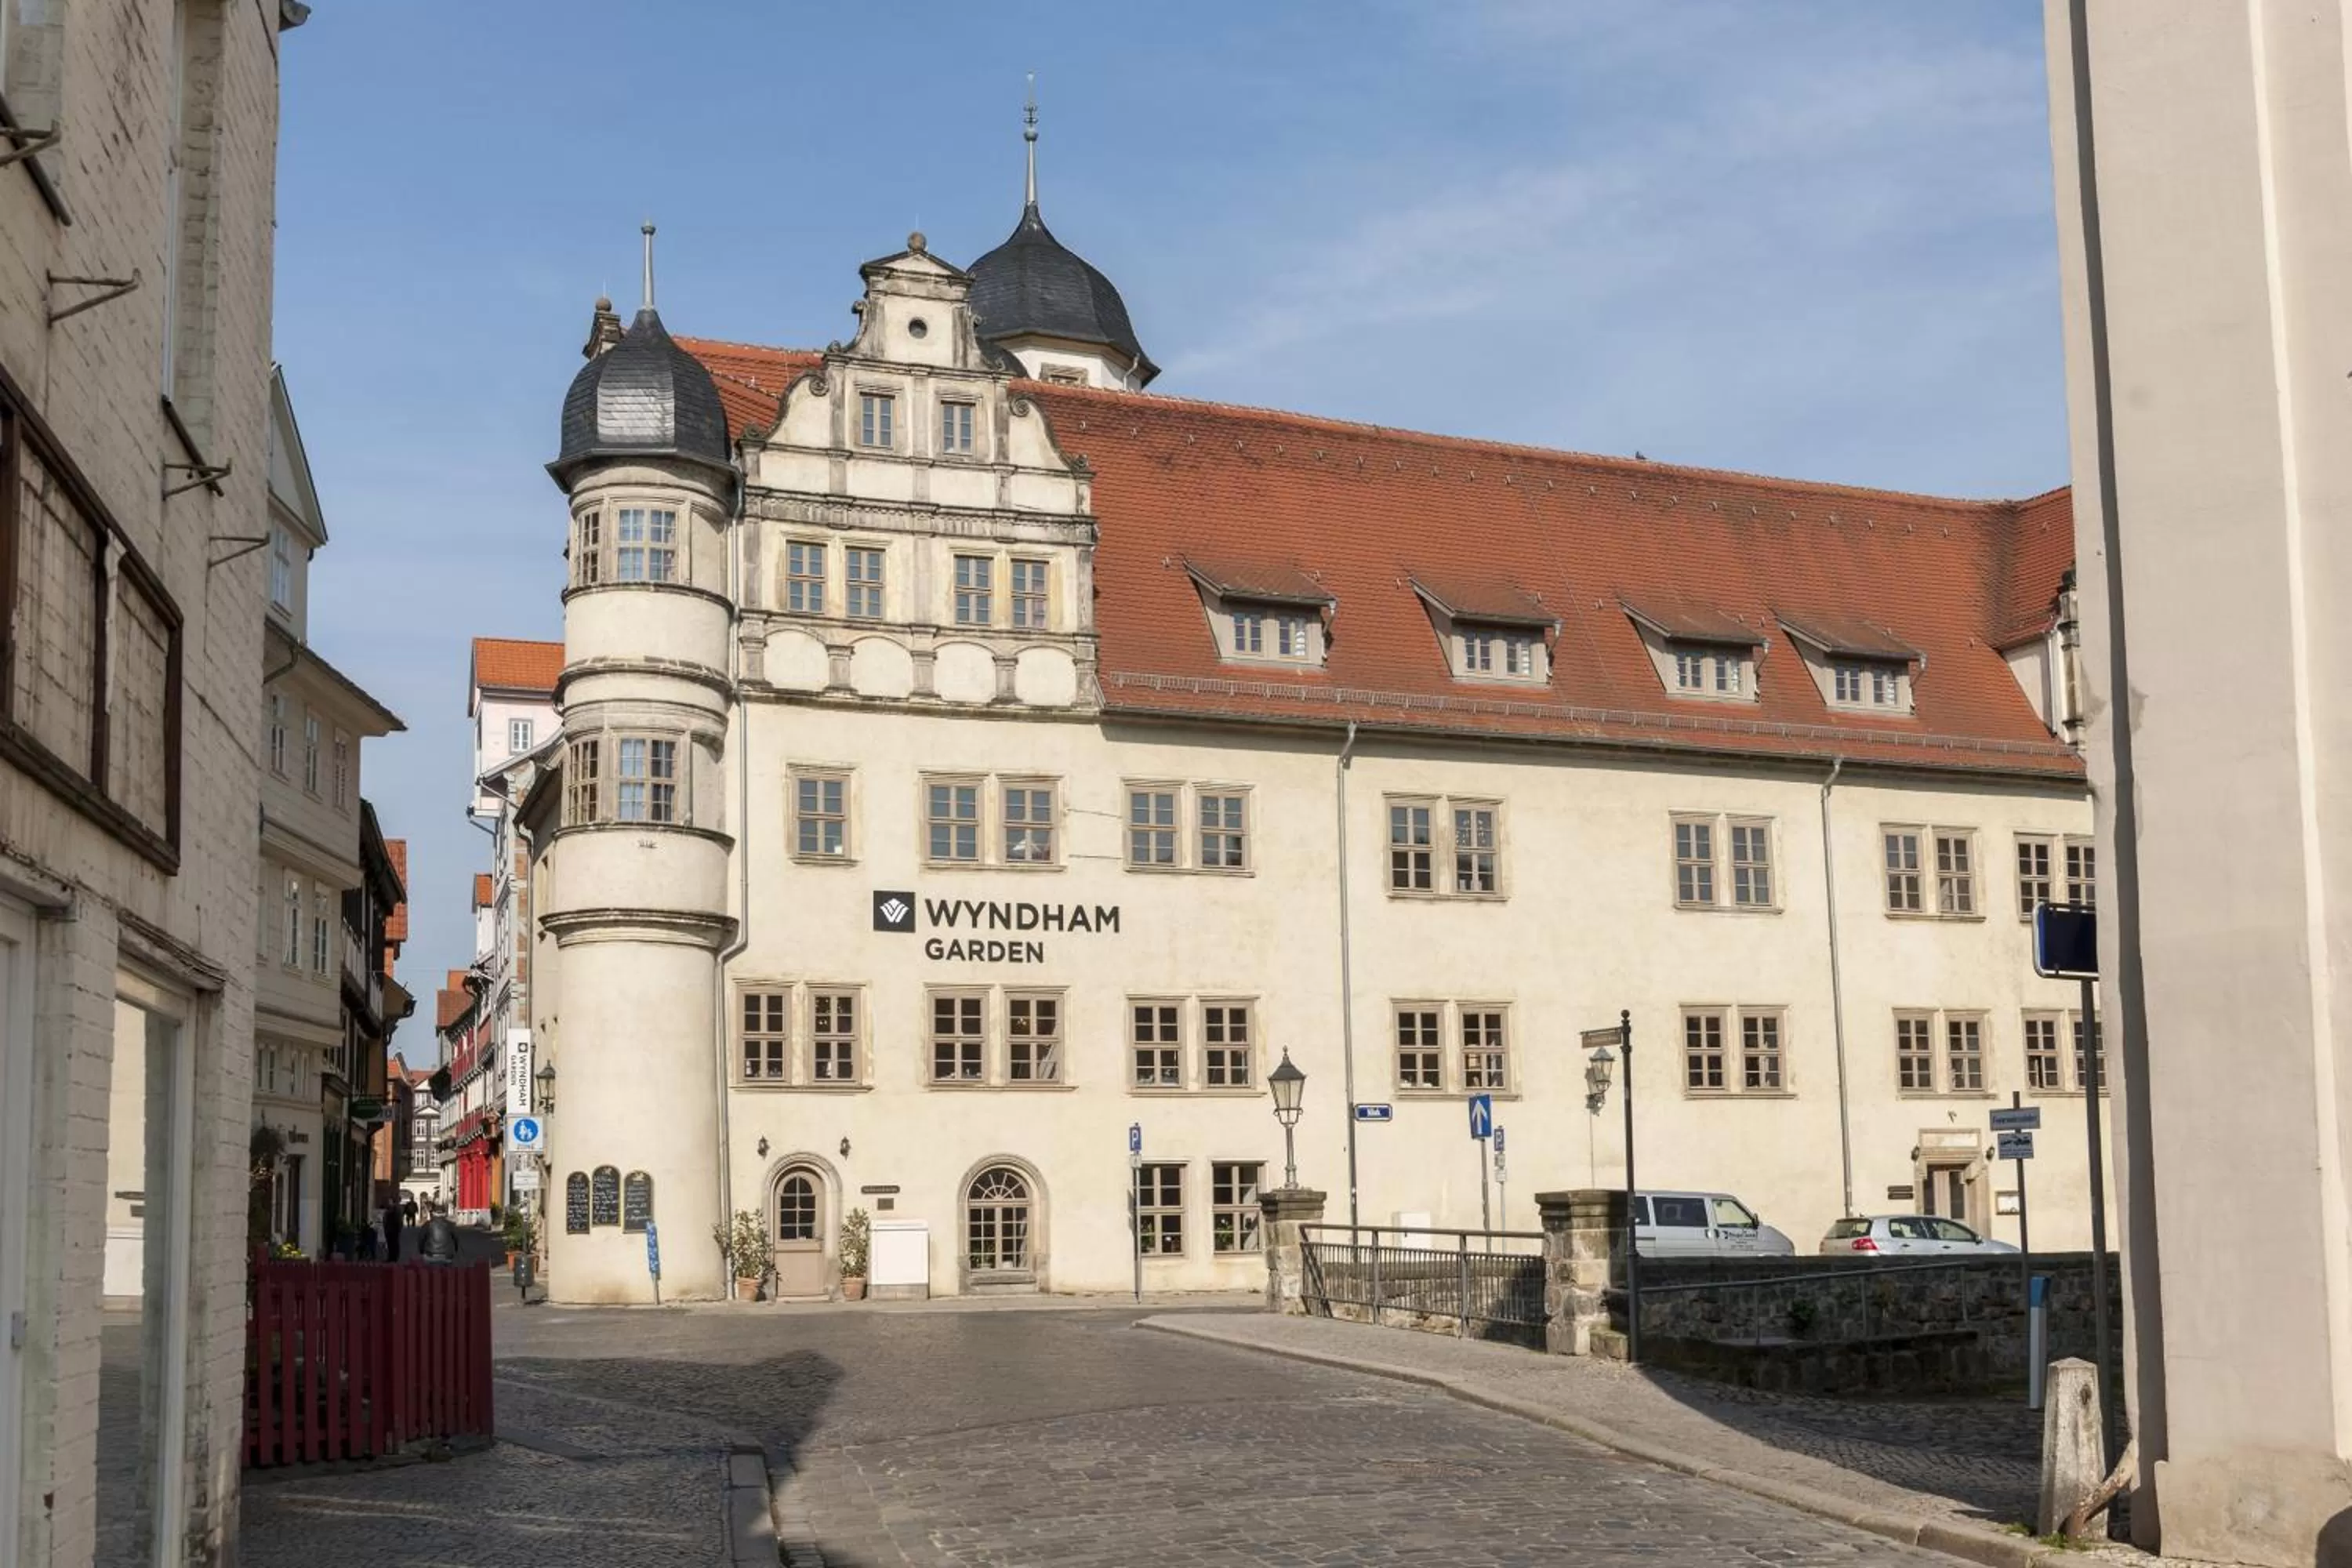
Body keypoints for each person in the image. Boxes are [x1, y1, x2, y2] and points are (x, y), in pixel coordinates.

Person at [417, 1200, 461, 1265]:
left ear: (433, 1213)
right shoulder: (450, 1225)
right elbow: (456, 1239)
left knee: (429, 1269)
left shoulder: (427, 1224)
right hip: (447, 1256)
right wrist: (455, 1251)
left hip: (430, 1255)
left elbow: (421, 1239)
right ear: (444, 1214)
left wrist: (421, 1251)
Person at [381, 1196, 405, 1263]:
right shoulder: (393, 1208)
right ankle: (392, 1257)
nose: (388, 1202)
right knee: (391, 1244)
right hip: (390, 1229)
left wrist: (397, 1229)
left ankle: (393, 1258)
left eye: (389, 1201)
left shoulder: (395, 1209)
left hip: (393, 1230)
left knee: (393, 1244)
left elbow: (397, 1220)